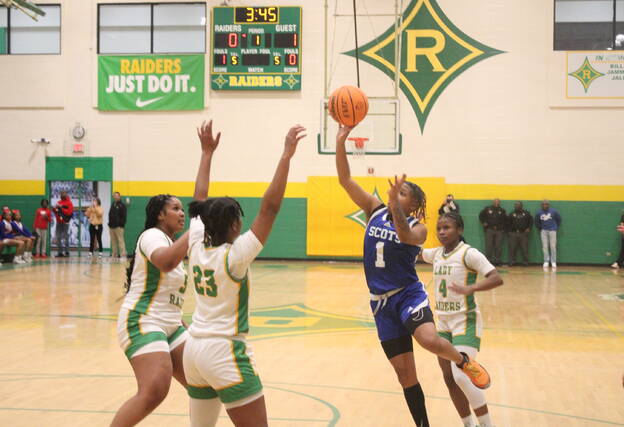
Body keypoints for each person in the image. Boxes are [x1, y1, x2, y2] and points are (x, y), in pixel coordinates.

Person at [335, 125, 490, 427]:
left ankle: (463, 361)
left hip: (408, 294)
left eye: (403, 193)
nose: (396, 192)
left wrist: (393, 204)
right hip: (381, 304)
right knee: (405, 376)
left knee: (429, 339)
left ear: (414, 206)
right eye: (397, 190)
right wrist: (341, 142)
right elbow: (345, 179)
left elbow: (404, 236)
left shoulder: (417, 227)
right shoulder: (374, 209)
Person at [183, 120, 306, 427]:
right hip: (223, 351)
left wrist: (206, 153)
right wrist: (286, 157)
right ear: (234, 226)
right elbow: (270, 208)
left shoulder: (196, 242)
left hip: (193, 350)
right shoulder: (234, 256)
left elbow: (198, 199)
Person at [111, 193, 190, 427]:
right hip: (142, 319)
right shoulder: (152, 235)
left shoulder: (171, 243)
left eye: (182, 208)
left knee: (203, 383)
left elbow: (168, 293)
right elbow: (165, 262)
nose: (182, 213)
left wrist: (180, 320)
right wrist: (194, 232)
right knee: (155, 389)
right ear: (160, 214)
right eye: (175, 208)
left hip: (171, 324)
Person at [421, 212, 503, 427]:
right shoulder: (437, 254)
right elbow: (415, 252)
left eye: (447, 227)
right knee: (449, 378)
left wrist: (471, 287)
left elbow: (496, 277)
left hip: (465, 321)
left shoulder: (469, 253)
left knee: (461, 376)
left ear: (460, 230)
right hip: (443, 323)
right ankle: (469, 424)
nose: (441, 232)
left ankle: (486, 425)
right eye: (439, 228)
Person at [534, 199, 561, 269]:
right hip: (543, 231)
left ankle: (553, 261)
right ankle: (546, 261)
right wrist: (540, 228)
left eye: (546, 204)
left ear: (548, 205)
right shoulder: (539, 212)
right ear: (541, 205)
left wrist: (555, 227)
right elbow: (536, 222)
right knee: (545, 247)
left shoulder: (554, 211)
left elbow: (559, 220)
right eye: (543, 204)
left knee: (553, 246)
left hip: (552, 230)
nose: (544, 205)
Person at [478, 199, 507, 265]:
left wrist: (503, 228)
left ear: (499, 203)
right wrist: (483, 222)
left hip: (499, 231)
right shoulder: (487, 209)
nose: (496, 203)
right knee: (489, 246)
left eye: (498, 202)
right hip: (489, 230)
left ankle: (497, 260)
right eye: (495, 201)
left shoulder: (502, 210)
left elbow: (505, 220)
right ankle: (488, 260)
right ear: (493, 202)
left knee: (498, 246)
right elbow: (481, 215)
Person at [507, 201, 532, 266]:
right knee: (512, 248)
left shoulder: (526, 213)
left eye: (518, 205)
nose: (516, 206)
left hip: (523, 233)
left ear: (521, 206)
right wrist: (509, 232)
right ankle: (512, 261)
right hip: (513, 233)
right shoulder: (512, 214)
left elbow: (531, 221)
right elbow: (508, 223)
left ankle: (525, 261)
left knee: (524, 248)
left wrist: (529, 228)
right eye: (515, 205)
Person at [53, 191, 74, 257]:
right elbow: (56, 212)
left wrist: (61, 207)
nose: (62, 195)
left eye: (64, 194)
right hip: (58, 222)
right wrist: (54, 209)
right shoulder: (58, 202)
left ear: (66, 195)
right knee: (58, 237)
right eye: (61, 194)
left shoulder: (69, 203)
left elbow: (69, 213)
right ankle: (60, 252)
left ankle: (67, 252)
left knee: (66, 237)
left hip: (65, 222)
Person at [109, 191, 128, 260]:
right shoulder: (113, 204)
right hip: (111, 226)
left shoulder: (122, 205)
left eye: (117, 196)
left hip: (119, 227)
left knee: (120, 241)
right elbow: (110, 214)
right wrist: (110, 224)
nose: (115, 197)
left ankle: (123, 255)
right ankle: (114, 255)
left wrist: (121, 224)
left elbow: (124, 216)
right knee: (113, 241)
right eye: (114, 196)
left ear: (119, 196)